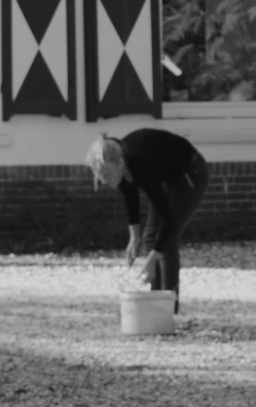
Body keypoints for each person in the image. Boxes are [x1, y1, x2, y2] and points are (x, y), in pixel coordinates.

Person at [86, 128, 209, 312]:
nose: (104, 181)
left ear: (120, 164)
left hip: (190, 172)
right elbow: (130, 195)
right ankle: (156, 303)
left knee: (166, 240)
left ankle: (168, 310)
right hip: (166, 176)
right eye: (101, 177)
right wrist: (134, 237)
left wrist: (151, 261)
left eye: (107, 175)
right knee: (150, 239)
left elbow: (168, 221)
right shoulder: (120, 161)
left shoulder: (139, 163)